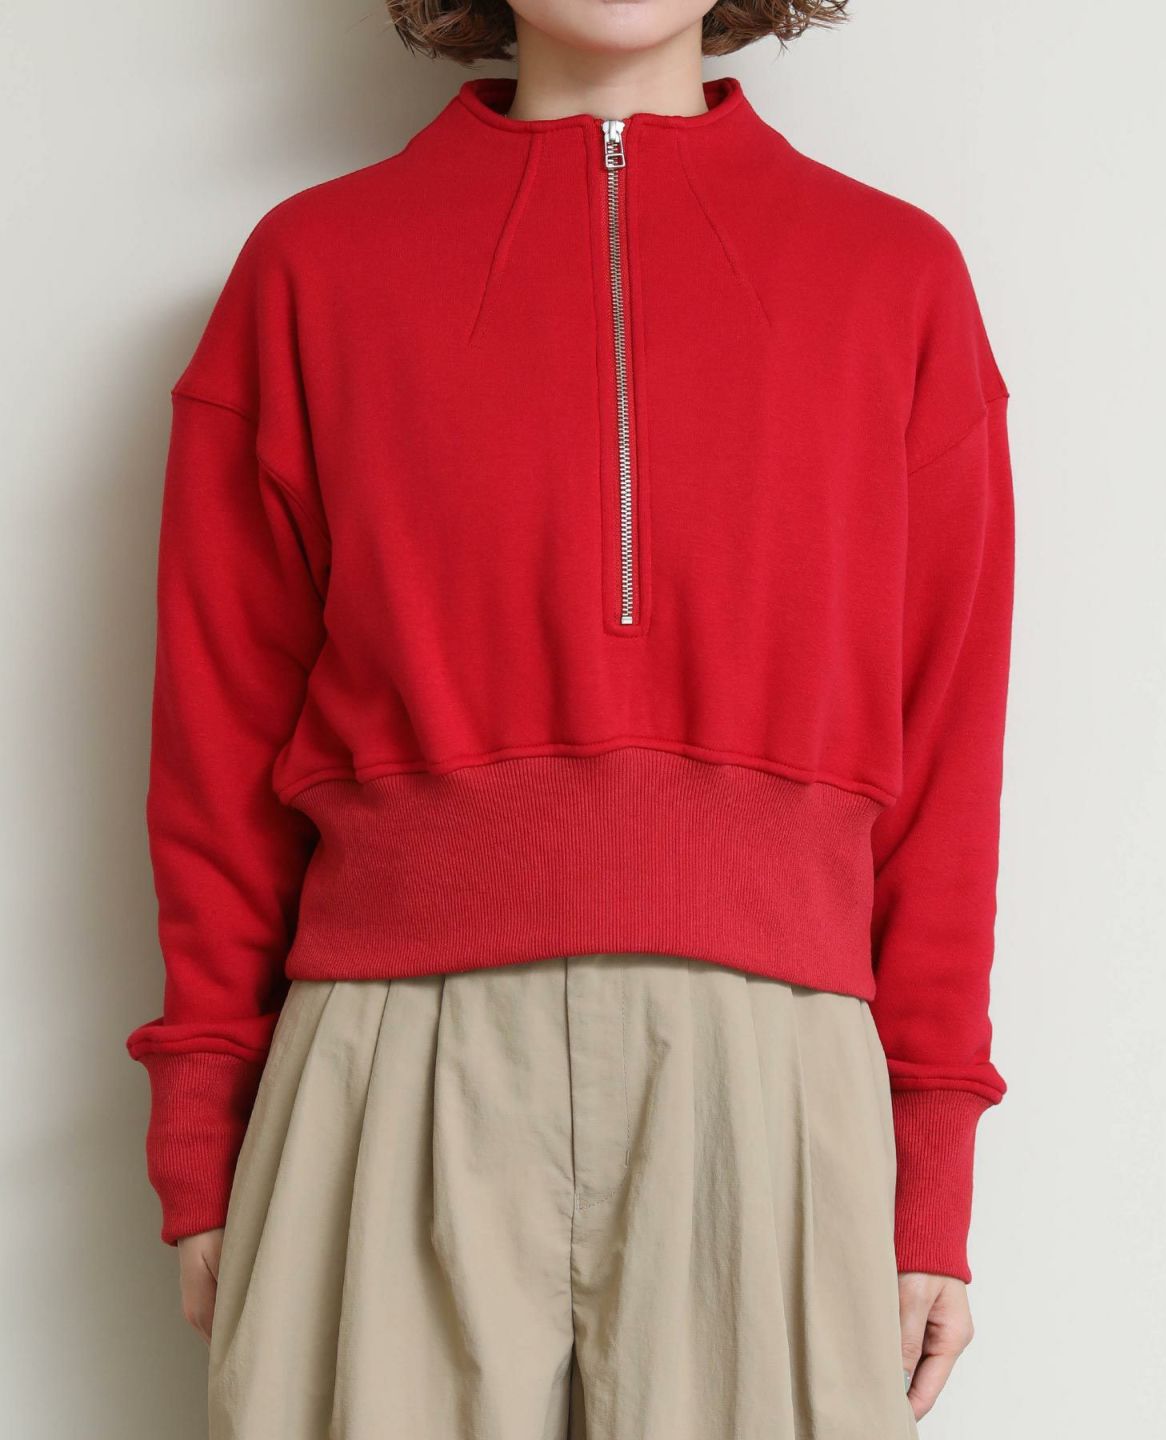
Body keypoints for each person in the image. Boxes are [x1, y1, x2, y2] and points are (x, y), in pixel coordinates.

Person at [125, 0, 1015, 1435]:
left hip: (772, 1071)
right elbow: (214, 747)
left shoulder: (893, 277)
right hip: (389, 1055)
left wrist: (931, 1171)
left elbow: (948, 761)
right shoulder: (311, 268)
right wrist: (201, 1131)